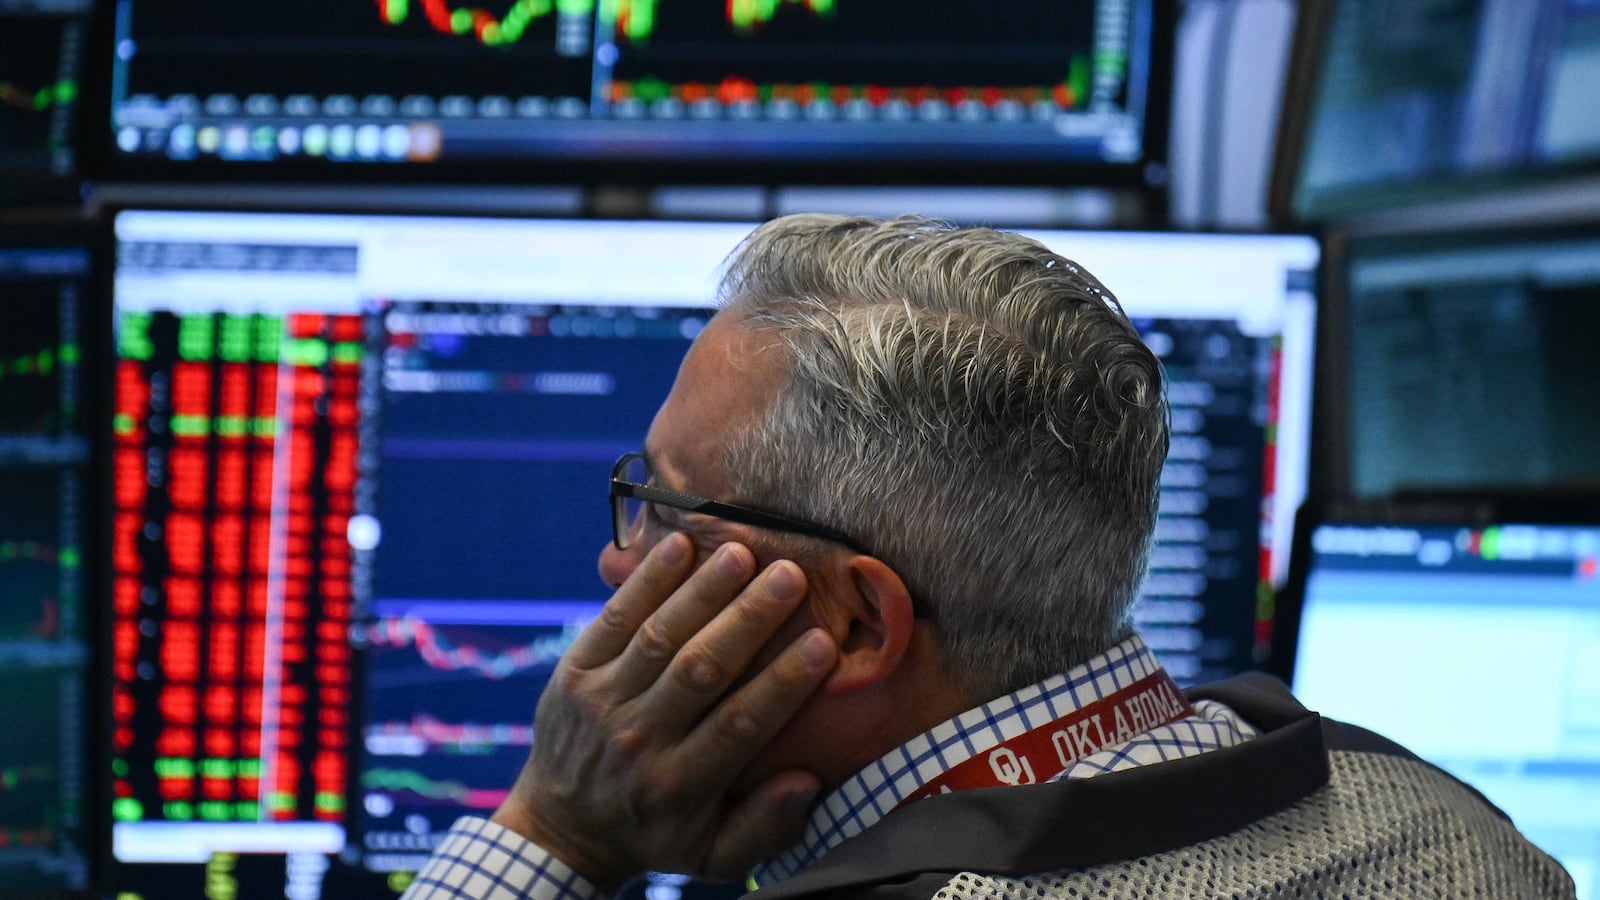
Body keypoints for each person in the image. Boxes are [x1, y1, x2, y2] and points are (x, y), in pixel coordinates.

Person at [403, 214, 1575, 899]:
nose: (621, 564)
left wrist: (556, 835)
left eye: (664, 506)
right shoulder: (1459, 831)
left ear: (857, 623)